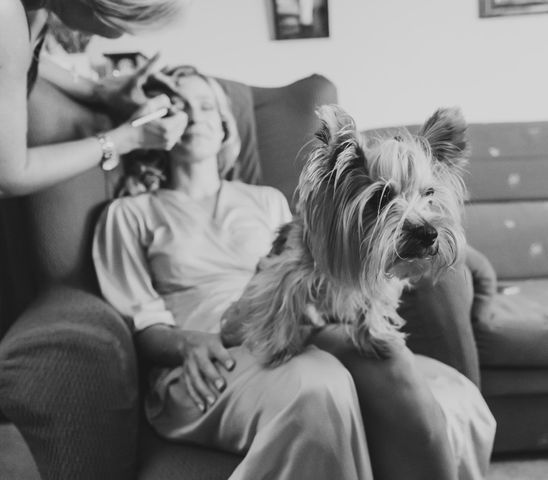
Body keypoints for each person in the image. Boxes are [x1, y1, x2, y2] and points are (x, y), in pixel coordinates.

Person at [93, 65, 496, 480]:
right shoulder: (128, 214)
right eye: (178, 107)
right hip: (209, 359)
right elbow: (140, 321)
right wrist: (187, 345)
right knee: (322, 387)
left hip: (296, 330)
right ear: (152, 125)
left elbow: (320, 261)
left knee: (451, 392)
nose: (194, 115)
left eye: (207, 106)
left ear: (227, 126)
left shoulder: (265, 200)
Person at [0, 0, 192, 197]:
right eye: (124, 25)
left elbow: (19, 62)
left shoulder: (35, 11)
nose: (115, 36)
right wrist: (127, 138)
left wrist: (99, 92)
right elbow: (7, 179)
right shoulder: (6, 17)